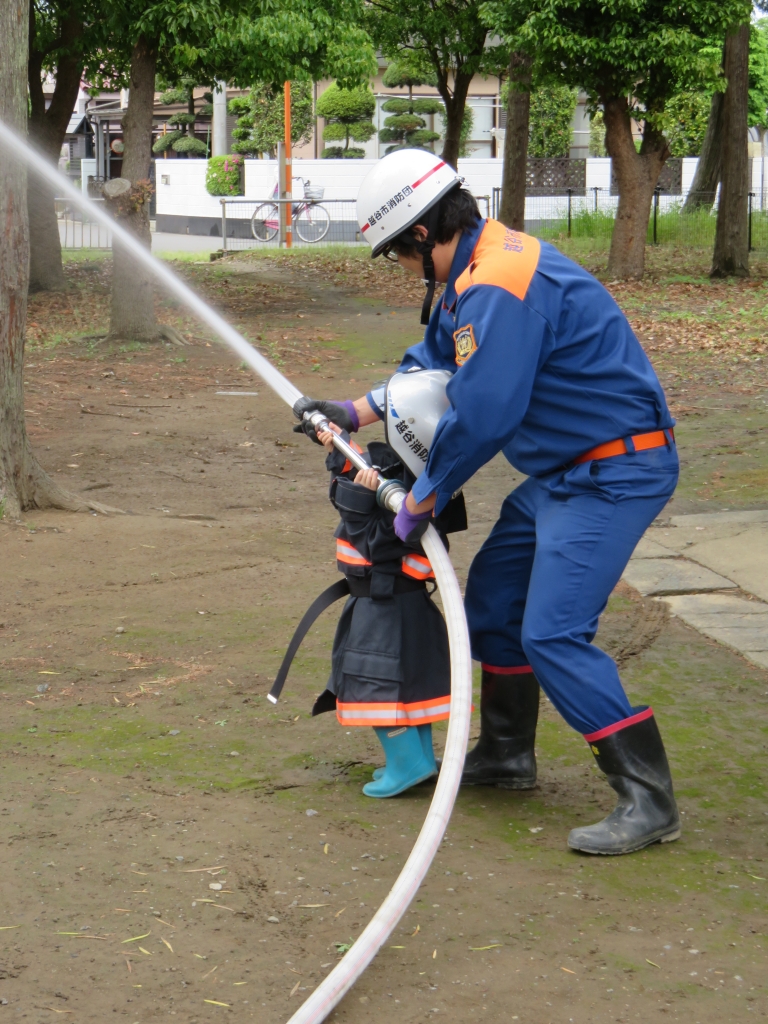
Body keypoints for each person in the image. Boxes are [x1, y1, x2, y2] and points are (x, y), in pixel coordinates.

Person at [293, 149, 681, 855]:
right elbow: (434, 366)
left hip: (615, 472)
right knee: (496, 606)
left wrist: (422, 498)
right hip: (563, 473)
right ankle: (507, 755)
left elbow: (484, 414)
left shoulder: (500, 281)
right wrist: (351, 412)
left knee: (553, 634)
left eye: (397, 255)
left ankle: (647, 799)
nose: (401, 268)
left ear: (420, 234)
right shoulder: (472, 273)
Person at [287, 370, 466, 798]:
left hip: (384, 607)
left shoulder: (412, 499)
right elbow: (360, 470)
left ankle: (407, 763)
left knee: (375, 683)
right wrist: (336, 442)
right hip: (403, 606)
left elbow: (380, 543)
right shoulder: (419, 478)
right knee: (409, 684)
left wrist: (361, 501)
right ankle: (420, 758)